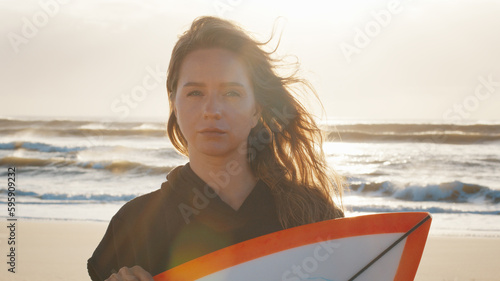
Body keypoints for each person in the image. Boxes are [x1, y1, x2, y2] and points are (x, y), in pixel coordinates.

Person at [87, 16, 344, 281]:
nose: (212, 110)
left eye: (231, 93)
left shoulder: (310, 212)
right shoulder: (133, 224)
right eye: (195, 93)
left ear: (256, 110)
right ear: (174, 104)